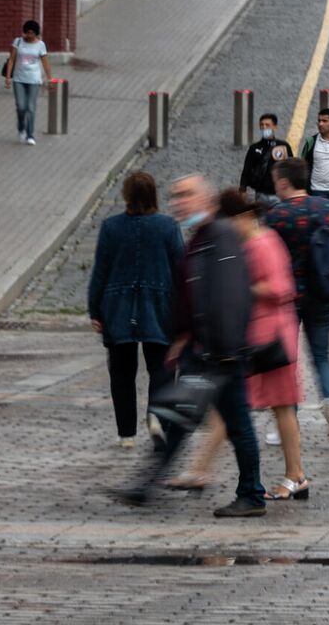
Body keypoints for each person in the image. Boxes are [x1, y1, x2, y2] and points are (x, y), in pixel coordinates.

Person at [114, 174, 264, 518]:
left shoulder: (221, 236)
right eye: (175, 195)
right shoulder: (201, 238)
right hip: (204, 349)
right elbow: (193, 294)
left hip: (221, 353)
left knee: (235, 425)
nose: (178, 202)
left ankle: (252, 495)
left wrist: (223, 349)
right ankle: (145, 485)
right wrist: (182, 337)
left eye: (185, 195)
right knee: (177, 421)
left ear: (206, 201)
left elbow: (231, 295)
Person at [172, 190, 307, 500]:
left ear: (244, 217)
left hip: (271, 342)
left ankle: (295, 476)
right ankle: (200, 468)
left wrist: (240, 284)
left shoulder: (263, 242)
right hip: (253, 340)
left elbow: (280, 287)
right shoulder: (248, 242)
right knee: (232, 405)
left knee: (279, 407)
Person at [264, 158, 329, 450]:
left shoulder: (274, 215)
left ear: (283, 181)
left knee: (286, 361)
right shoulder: (327, 209)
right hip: (321, 295)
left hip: (285, 299)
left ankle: (286, 422)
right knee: (322, 356)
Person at [88, 171, 180, 447]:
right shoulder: (168, 227)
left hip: (118, 305)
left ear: (126, 195)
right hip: (159, 304)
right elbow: (179, 268)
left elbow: (100, 272)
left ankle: (126, 432)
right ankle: (157, 416)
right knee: (161, 367)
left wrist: (95, 310)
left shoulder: (110, 227)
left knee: (122, 372)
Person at [3, 18, 48, 146]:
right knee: (21, 106)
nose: (29, 35)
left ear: (36, 34)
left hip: (34, 79)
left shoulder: (40, 45)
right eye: (27, 32)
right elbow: (11, 59)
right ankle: (21, 127)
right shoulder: (18, 42)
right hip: (19, 79)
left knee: (31, 107)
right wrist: (8, 77)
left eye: (32, 33)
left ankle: (30, 135)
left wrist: (49, 78)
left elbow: (45, 62)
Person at [239, 113, 293, 201]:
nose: (264, 127)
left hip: (279, 194)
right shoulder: (254, 148)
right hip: (261, 193)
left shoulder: (283, 146)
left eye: (267, 125)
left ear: (274, 127)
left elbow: (291, 169)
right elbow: (247, 169)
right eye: (261, 125)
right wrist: (242, 190)